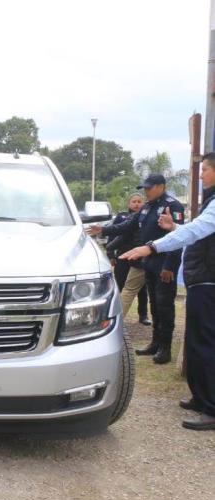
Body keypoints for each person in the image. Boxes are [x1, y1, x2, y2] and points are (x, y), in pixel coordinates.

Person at [121, 152, 215, 430]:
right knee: (196, 341)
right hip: (200, 280)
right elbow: (196, 231)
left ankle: (211, 406)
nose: (201, 174)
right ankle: (201, 397)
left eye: (206, 169)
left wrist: (152, 246)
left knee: (206, 342)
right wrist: (174, 227)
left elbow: (198, 231)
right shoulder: (208, 201)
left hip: (208, 281)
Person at [87, 174, 185, 363]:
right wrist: (103, 230)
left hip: (164, 265)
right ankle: (155, 343)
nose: (146, 191)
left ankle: (165, 348)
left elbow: (179, 238)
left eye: (149, 188)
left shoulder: (172, 206)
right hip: (148, 264)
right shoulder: (147, 207)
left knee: (165, 306)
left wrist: (170, 266)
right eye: (145, 188)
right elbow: (128, 226)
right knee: (155, 305)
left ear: (161, 187)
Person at [106, 193, 151, 325]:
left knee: (142, 289)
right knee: (120, 285)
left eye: (139, 201)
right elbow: (113, 234)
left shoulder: (145, 217)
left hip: (139, 257)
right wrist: (111, 254)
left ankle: (143, 315)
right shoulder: (122, 217)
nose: (136, 204)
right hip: (122, 256)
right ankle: (117, 314)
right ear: (129, 204)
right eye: (134, 201)